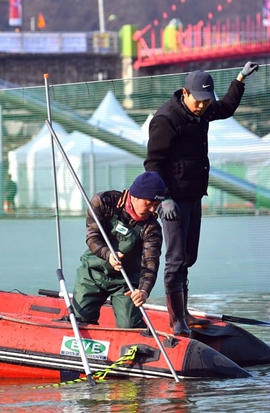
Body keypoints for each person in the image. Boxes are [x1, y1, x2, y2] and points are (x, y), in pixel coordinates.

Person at [144, 63, 259, 336]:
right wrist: (164, 199)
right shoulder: (166, 120)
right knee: (174, 259)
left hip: (193, 194)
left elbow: (227, 107)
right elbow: (153, 164)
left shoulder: (204, 111)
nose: (203, 106)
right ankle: (177, 321)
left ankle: (183, 311)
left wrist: (240, 79)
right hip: (172, 201)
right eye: (199, 101)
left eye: (207, 101)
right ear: (185, 93)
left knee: (187, 257)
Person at [72, 171, 166, 329]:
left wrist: (143, 291)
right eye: (148, 203)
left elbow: (150, 263)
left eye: (156, 206)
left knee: (130, 326)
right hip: (93, 273)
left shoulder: (152, 228)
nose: (151, 210)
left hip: (126, 281)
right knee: (79, 322)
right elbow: (92, 237)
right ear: (135, 196)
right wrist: (108, 255)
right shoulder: (103, 202)